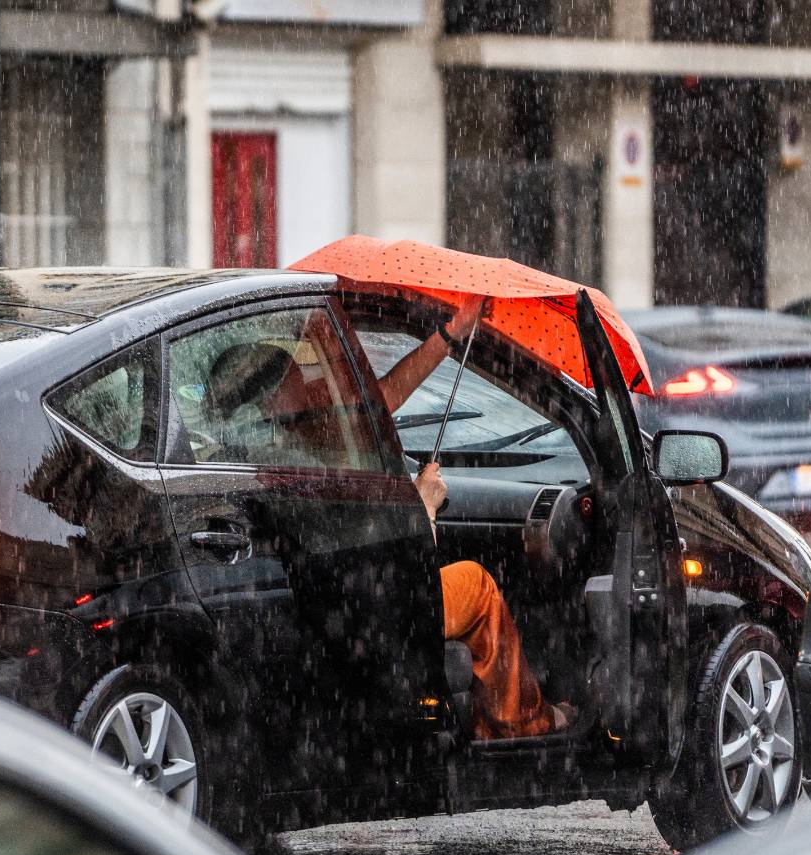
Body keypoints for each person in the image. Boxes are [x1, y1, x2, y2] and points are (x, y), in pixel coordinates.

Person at [203, 302, 575, 739]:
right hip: (373, 605)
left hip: (343, 600)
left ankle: (489, 719)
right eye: (298, 377)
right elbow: (402, 561)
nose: (317, 380)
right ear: (271, 404)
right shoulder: (310, 459)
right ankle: (521, 721)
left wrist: (451, 333)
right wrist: (424, 505)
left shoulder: (302, 436)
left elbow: (388, 394)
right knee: (475, 583)